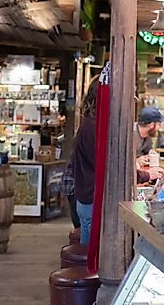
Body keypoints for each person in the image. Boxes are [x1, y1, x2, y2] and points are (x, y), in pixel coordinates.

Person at [67, 77, 99, 244]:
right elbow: (100, 164)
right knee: (90, 254)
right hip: (90, 198)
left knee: (89, 250)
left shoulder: (89, 123)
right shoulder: (92, 127)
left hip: (85, 197)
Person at [135, 107, 164, 184]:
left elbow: (147, 153)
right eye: (159, 124)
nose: (159, 128)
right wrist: (136, 161)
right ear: (152, 125)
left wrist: (151, 154)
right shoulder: (131, 134)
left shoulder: (147, 137)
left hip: (140, 175)